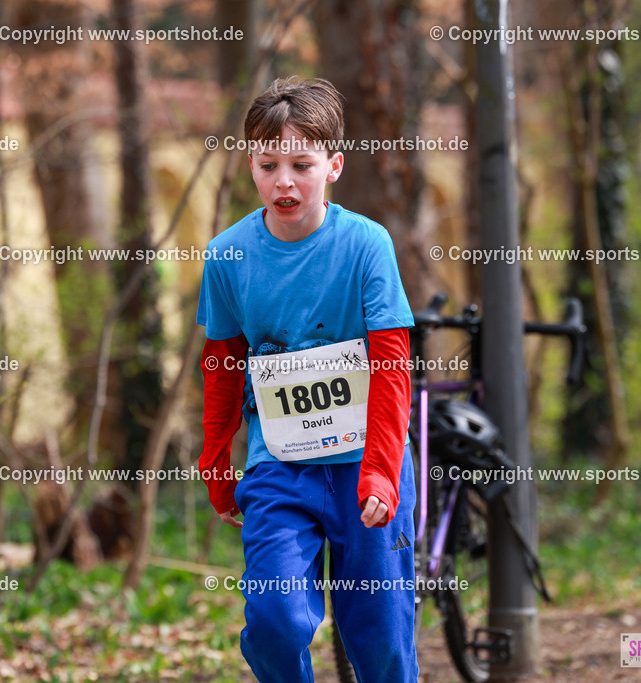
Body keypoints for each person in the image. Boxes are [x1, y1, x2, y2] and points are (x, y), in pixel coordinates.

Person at [196, 76, 418, 682]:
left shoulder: (367, 245)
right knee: (275, 621)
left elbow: (393, 362)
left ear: (334, 165)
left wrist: (379, 467)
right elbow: (220, 366)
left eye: (302, 163)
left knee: (382, 640)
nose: (284, 181)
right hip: (280, 465)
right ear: (251, 166)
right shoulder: (227, 255)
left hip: (368, 464)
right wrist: (216, 459)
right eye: (269, 165)